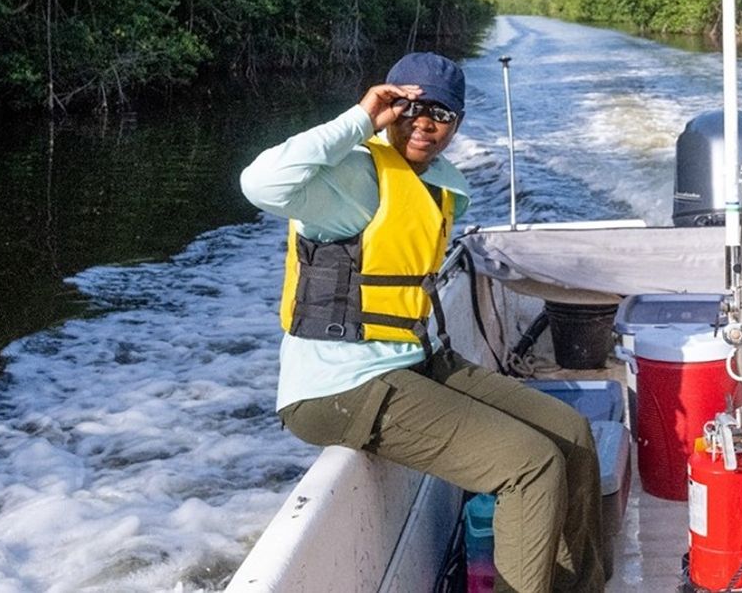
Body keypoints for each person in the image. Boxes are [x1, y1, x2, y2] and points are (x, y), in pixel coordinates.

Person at [240, 51, 605, 593]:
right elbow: (261, 182)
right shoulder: (349, 179)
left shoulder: (434, 184)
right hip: (339, 386)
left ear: (456, 124)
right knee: (530, 465)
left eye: (442, 114)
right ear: (390, 105)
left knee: (571, 435)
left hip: (415, 362)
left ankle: (581, 586)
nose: (426, 123)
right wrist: (361, 118)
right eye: (411, 107)